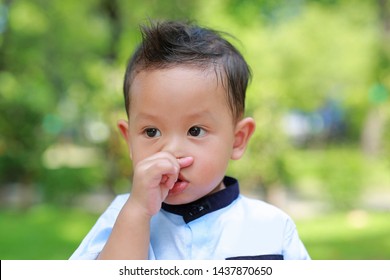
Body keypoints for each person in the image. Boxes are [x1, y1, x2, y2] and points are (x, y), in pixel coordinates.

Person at [70, 20, 310, 260]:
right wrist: (138, 213)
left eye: (195, 131)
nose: (172, 151)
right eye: (151, 132)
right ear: (130, 140)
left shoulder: (271, 229)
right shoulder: (120, 218)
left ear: (237, 140)